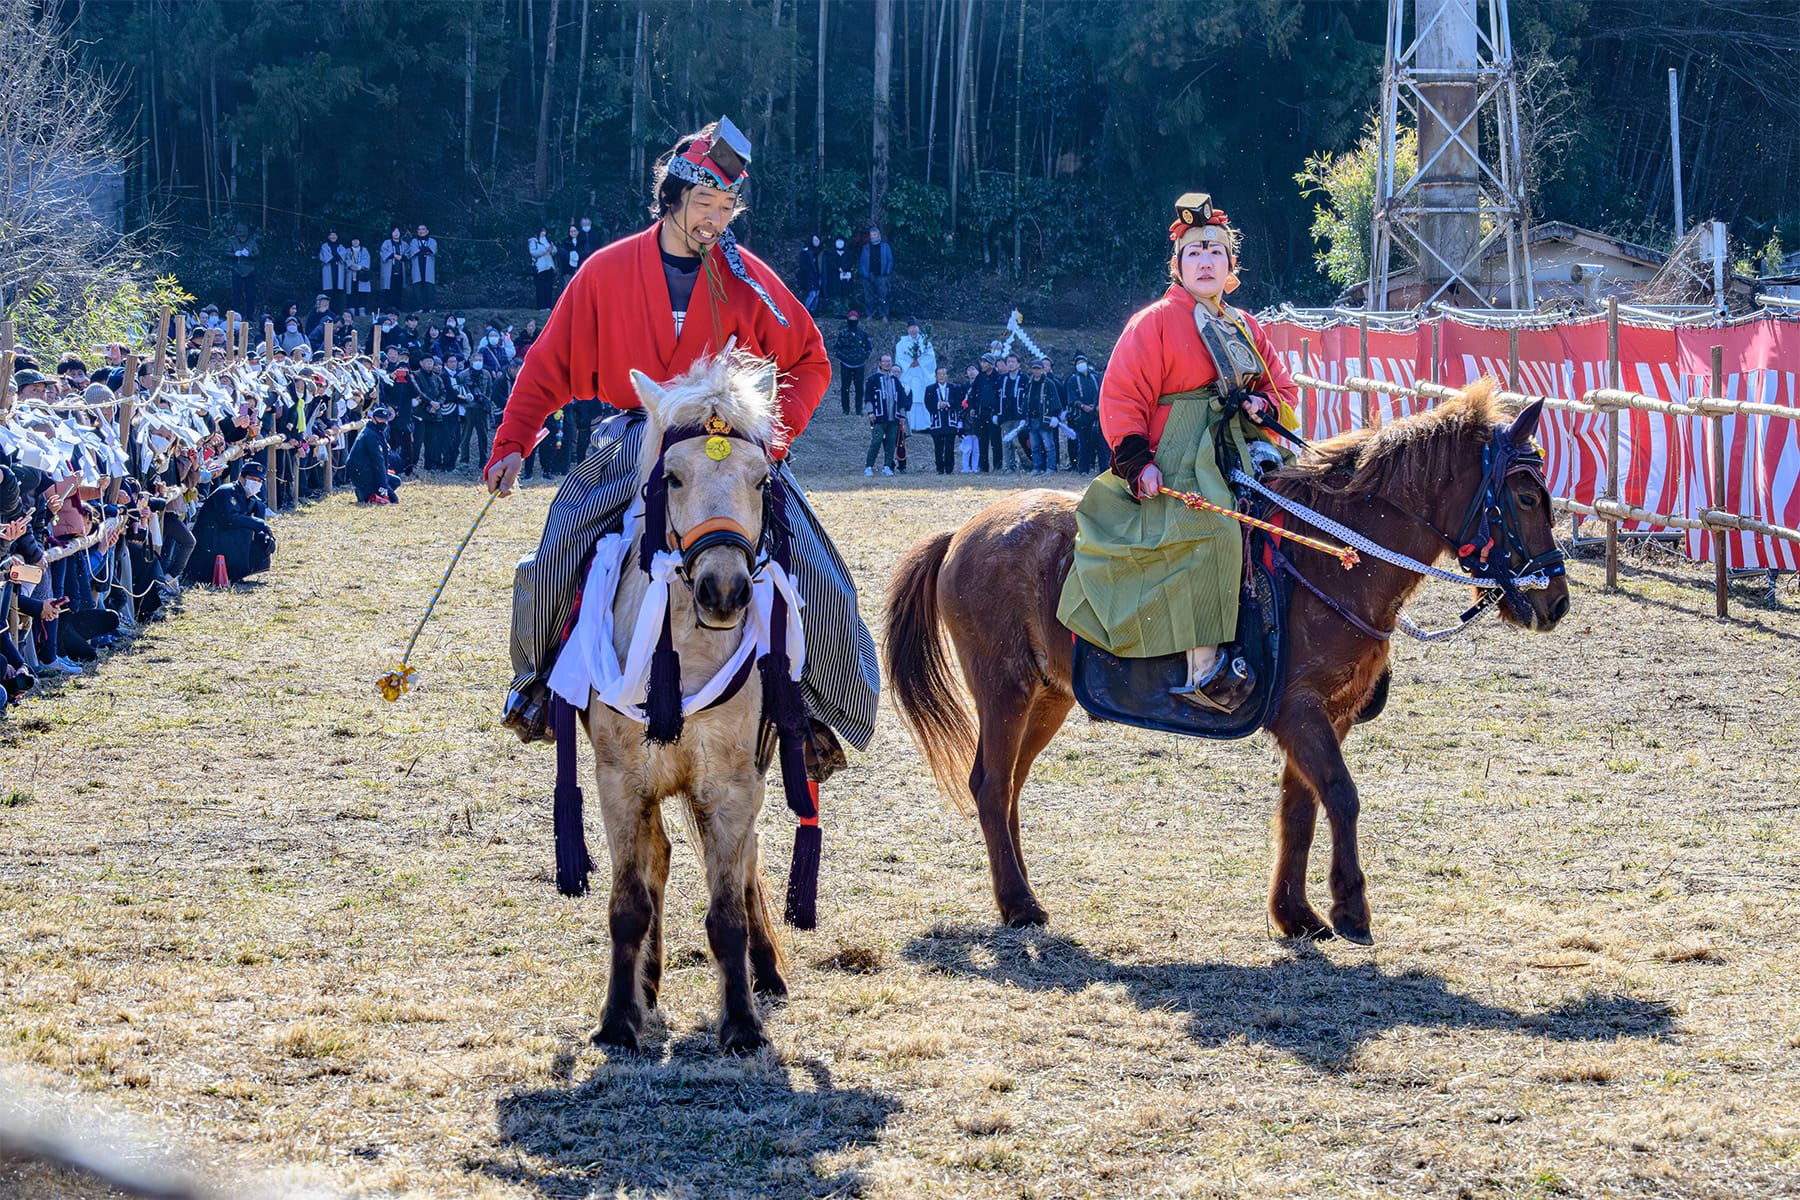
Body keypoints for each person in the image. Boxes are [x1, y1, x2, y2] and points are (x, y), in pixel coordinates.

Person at [481, 117, 878, 763]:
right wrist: (512, 441)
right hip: (636, 437)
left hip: (729, 443)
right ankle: (538, 686)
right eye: (704, 203)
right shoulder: (605, 271)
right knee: (556, 551)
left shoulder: (748, 278)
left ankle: (814, 713)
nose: (714, 220)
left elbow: (811, 360)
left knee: (822, 575)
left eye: (726, 208)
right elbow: (548, 363)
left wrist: (772, 438)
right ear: (671, 198)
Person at [1056, 193, 1298, 713]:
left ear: (1230, 266)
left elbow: (1285, 391)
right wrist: (1138, 462)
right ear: (1178, 266)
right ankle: (1205, 669)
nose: (1205, 261)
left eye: (1215, 252)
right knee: (1210, 528)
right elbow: (1121, 396)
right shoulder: (1153, 323)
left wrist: (1261, 401)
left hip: (1241, 448)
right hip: (1175, 456)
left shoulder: (1247, 326)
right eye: (1194, 253)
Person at [187, 460, 275, 583]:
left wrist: (265, 534)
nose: (255, 483)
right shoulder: (227, 492)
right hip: (211, 544)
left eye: (259, 481)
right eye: (252, 479)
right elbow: (229, 520)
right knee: (245, 527)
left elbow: (258, 523)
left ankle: (242, 571)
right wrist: (260, 525)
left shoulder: (255, 501)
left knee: (262, 537)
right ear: (240, 477)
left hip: (224, 542)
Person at [348, 407, 401, 504]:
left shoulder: (376, 431)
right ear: (373, 419)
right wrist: (383, 485)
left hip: (370, 468)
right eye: (380, 419)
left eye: (385, 420)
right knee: (393, 499)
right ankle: (365, 492)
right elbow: (378, 462)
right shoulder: (370, 435)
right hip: (363, 472)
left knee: (395, 481)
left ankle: (371, 491)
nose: (383, 422)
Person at [1064, 350, 1103, 473]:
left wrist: (1095, 405)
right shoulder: (1072, 379)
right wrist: (1082, 405)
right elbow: (1071, 397)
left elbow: (1100, 393)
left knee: (1096, 443)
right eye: (1078, 362)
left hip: (1095, 415)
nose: (1081, 364)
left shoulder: (1095, 377)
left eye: (1082, 362)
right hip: (1080, 416)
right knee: (1083, 444)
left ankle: (1096, 466)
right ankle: (1083, 468)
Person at [1023, 357, 1063, 475]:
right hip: (1032, 419)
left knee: (1049, 445)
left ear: (1042, 370)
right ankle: (1037, 467)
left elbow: (1055, 400)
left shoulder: (1049, 384)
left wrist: (1055, 415)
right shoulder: (1029, 384)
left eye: (1038, 369)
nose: (1036, 371)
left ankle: (1051, 467)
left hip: (1045, 420)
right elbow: (1026, 401)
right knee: (1034, 446)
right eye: (1034, 368)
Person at [862, 355, 901, 476]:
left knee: (891, 442)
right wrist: (870, 412)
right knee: (876, 441)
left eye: (889, 361)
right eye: (884, 361)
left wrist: (902, 415)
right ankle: (869, 466)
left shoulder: (895, 380)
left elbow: (902, 398)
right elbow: (868, 397)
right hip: (878, 417)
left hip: (893, 418)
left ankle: (887, 466)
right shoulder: (873, 379)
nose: (887, 364)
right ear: (880, 363)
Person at [894, 319, 935, 433]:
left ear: (918, 328)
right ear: (907, 329)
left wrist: (919, 362)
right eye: (910, 327)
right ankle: (910, 424)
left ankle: (925, 425)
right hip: (909, 373)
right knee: (910, 396)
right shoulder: (901, 344)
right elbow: (899, 358)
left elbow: (930, 357)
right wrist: (909, 364)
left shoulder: (925, 342)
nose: (913, 329)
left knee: (923, 397)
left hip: (922, 373)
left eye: (915, 327)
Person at [833, 311, 871, 415]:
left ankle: (858, 410)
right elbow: (837, 349)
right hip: (846, 364)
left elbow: (868, 348)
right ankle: (846, 410)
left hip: (859, 364)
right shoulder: (843, 333)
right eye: (851, 319)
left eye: (855, 319)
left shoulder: (862, 334)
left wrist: (863, 357)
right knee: (845, 387)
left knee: (859, 387)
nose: (853, 322)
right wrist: (845, 358)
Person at [925, 366, 957, 475]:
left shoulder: (954, 388)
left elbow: (958, 402)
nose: (941, 376)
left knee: (949, 446)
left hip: (950, 421)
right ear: (936, 376)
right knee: (938, 447)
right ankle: (939, 468)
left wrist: (948, 404)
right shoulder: (930, 389)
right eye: (939, 374)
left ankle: (949, 468)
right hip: (936, 422)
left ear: (947, 376)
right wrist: (938, 404)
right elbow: (928, 404)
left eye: (944, 374)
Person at [997, 353, 1027, 472]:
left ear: (1018, 364)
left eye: (1013, 362)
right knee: (1006, 442)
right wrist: (996, 413)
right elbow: (997, 397)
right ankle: (1009, 466)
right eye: (1008, 362)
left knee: (1019, 442)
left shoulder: (1024, 379)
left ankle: (1024, 465)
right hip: (1005, 416)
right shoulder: (1002, 379)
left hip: (1019, 416)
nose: (1010, 364)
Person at [859, 225, 895, 321]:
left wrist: (887, 272)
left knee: (883, 296)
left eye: (875, 234)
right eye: (872, 235)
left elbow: (890, 260)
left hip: (882, 275)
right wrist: (865, 274)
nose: (874, 237)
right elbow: (862, 262)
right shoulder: (866, 248)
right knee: (868, 296)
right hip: (869, 275)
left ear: (879, 235)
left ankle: (883, 315)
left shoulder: (885, 246)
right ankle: (869, 314)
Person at [226, 223, 258, 317]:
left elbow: (257, 254)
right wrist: (235, 254)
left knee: (250, 294)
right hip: (236, 270)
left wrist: (249, 255)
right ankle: (236, 315)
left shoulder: (252, 242)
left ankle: (250, 314)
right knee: (236, 294)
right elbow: (226, 252)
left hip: (250, 270)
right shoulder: (232, 241)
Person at [955, 364, 980, 472]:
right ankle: (966, 467)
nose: (971, 372)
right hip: (966, 421)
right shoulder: (963, 388)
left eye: (973, 369)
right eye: (969, 370)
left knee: (977, 448)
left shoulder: (981, 386)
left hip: (978, 420)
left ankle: (975, 467)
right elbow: (960, 406)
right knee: (967, 447)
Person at [407, 224, 438, 311]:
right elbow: (414, 252)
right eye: (419, 229)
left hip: (428, 267)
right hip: (417, 267)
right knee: (418, 287)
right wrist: (425, 250)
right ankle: (420, 307)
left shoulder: (432, 241)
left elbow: (432, 251)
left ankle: (431, 307)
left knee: (430, 287)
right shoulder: (414, 241)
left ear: (427, 231)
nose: (421, 231)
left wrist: (422, 250)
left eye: (423, 229)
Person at [319, 229, 350, 314]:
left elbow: (342, 256)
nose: (333, 237)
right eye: (331, 235)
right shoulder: (324, 246)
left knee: (338, 292)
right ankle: (327, 310)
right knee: (328, 292)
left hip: (338, 271)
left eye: (335, 235)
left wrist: (336, 255)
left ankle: (338, 311)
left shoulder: (341, 246)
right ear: (328, 237)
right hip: (328, 270)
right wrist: (335, 256)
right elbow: (326, 257)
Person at [380, 226, 408, 312]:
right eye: (394, 231)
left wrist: (401, 257)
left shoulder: (404, 244)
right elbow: (383, 253)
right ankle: (388, 309)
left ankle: (398, 308)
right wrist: (395, 256)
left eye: (398, 231)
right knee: (388, 290)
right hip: (389, 270)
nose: (396, 233)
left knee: (398, 290)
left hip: (400, 270)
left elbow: (407, 255)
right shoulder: (386, 243)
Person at [529, 226, 557, 308]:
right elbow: (533, 253)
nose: (543, 233)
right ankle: (541, 306)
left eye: (545, 231)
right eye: (542, 231)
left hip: (549, 267)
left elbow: (555, 251)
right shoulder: (533, 241)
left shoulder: (548, 240)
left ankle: (548, 305)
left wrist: (551, 249)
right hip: (539, 268)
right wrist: (545, 250)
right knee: (540, 287)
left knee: (548, 287)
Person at [797, 234, 825, 313]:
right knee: (812, 293)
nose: (816, 242)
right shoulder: (806, 252)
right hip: (810, 276)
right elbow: (803, 265)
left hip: (819, 275)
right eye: (814, 240)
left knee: (817, 294)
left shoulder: (821, 252)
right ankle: (806, 310)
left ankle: (813, 311)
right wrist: (809, 272)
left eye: (817, 240)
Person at [827, 236, 855, 313]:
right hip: (835, 277)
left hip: (845, 276)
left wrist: (844, 268)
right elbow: (830, 263)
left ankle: (846, 311)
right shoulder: (831, 253)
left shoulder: (848, 253)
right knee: (836, 295)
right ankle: (837, 312)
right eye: (838, 241)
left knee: (845, 294)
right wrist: (838, 268)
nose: (839, 243)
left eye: (841, 241)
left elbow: (851, 262)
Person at [346, 237, 373, 316]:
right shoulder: (348, 250)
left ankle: (362, 311)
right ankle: (351, 312)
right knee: (351, 293)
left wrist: (359, 267)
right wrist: (351, 265)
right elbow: (346, 260)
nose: (355, 242)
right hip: (351, 275)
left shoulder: (364, 250)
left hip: (361, 275)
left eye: (357, 240)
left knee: (362, 294)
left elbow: (366, 260)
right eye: (353, 240)